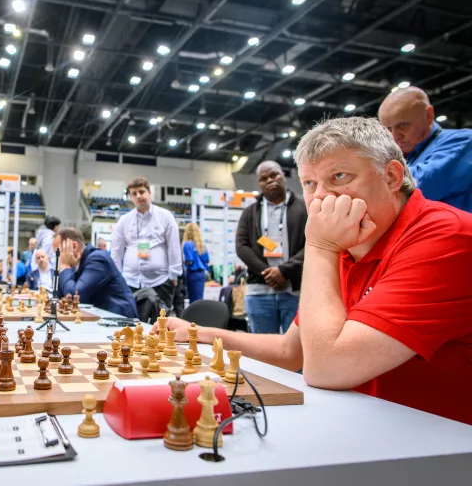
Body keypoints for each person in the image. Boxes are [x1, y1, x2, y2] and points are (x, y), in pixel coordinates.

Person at [159, 117, 472, 426]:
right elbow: (291, 351)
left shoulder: (447, 238)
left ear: (391, 176)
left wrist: (320, 245)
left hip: (441, 452)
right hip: (369, 429)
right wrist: (200, 334)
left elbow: (326, 367)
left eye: (339, 176)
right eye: (309, 183)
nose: (320, 197)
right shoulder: (352, 242)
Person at [236, 161, 306, 334]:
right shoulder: (250, 212)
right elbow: (241, 246)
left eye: (274, 175)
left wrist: (284, 271)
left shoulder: (304, 208)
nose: (269, 180)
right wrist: (268, 272)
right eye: (263, 178)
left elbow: (313, 244)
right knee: (262, 352)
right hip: (259, 291)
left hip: (294, 290)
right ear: (259, 183)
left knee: (296, 352)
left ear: (283, 175)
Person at [378, 86, 472, 212]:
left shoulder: (463, 141)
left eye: (403, 125)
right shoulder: (408, 156)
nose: (395, 136)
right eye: (388, 129)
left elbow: (420, 185)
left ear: (428, 116)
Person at [110, 177, 182, 314]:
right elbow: (116, 252)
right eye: (134, 193)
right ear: (130, 197)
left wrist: (173, 276)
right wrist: (117, 278)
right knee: (132, 325)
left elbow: (174, 247)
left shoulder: (165, 216)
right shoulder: (124, 221)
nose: (139, 196)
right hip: (130, 281)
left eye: (142, 192)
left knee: (160, 326)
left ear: (149, 193)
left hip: (160, 282)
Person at [54, 228, 139, 318]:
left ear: (74, 247)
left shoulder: (97, 259)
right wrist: (63, 269)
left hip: (121, 320)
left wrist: (64, 267)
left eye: (58, 253)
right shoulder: (74, 263)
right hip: (101, 317)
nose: (58, 259)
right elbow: (59, 297)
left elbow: (74, 296)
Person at [181, 222, 210, 303]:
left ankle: (193, 315)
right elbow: (207, 260)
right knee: (199, 298)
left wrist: (183, 262)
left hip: (192, 274)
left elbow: (189, 261)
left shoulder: (187, 244)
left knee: (192, 300)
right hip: (201, 274)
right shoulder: (202, 245)